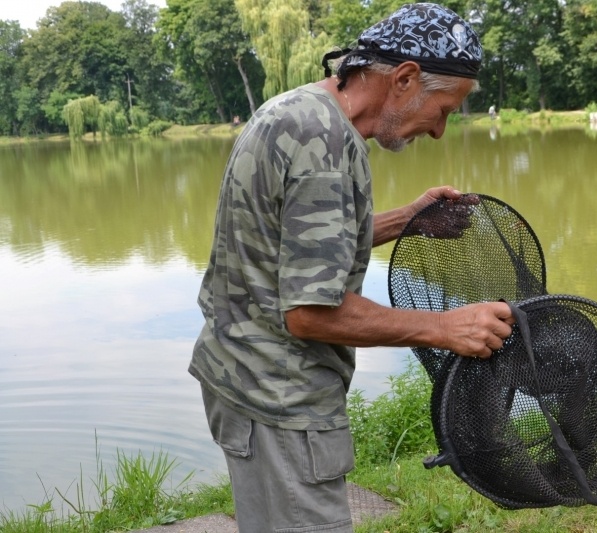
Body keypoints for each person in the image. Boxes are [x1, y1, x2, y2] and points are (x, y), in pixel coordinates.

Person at [189, 4, 514, 532]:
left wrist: (406, 221)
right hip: (283, 402)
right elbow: (310, 314)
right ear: (405, 79)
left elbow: (292, 245)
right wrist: (445, 328)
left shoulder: (297, 110)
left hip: (241, 380)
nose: (438, 131)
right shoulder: (329, 145)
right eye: (444, 109)